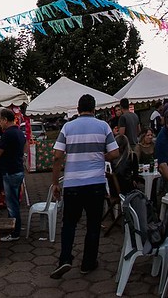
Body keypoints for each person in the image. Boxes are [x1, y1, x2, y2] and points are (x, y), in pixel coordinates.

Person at [51, 94, 120, 279]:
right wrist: (100, 157)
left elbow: (57, 156)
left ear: (78, 108)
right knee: (93, 225)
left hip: (72, 184)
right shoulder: (103, 126)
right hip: (95, 184)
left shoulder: (67, 127)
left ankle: (65, 258)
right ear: (94, 108)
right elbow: (114, 152)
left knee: (69, 224)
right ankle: (88, 263)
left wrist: (55, 183)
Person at [0, 107, 26, 241]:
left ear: (4, 119)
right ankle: (17, 226)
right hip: (19, 170)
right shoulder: (19, 132)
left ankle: (14, 233)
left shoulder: (8, 134)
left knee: (11, 204)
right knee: (15, 201)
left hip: (10, 172)